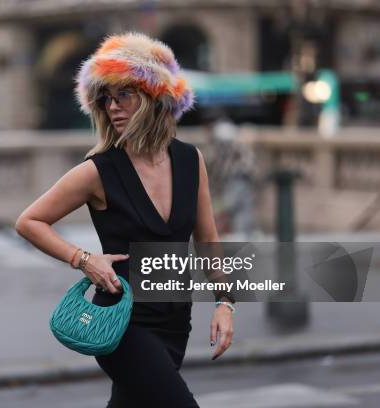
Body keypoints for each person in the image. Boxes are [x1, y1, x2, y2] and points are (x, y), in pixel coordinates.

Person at [15, 31, 235, 408]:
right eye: (105, 98)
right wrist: (84, 260)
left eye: (123, 95)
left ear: (153, 97)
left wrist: (225, 302)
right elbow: (29, 221)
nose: (112, 107)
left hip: (175, 321)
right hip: (122, 322)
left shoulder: (189, 160)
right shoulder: (98, 171)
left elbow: (208, 240)